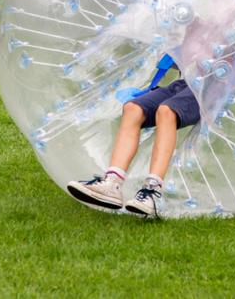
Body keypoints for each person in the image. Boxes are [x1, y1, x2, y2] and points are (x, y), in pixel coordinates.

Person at [67, 56, 200, 217]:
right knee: (133, 108)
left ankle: (152, 192)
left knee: (166, 111)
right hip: (183, 84)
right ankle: (113, 183)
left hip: (210, 88)